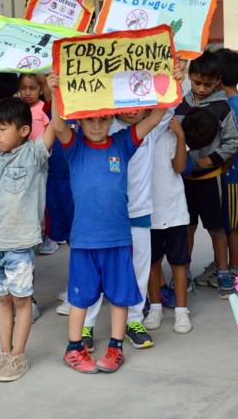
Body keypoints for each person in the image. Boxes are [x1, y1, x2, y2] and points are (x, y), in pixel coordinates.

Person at [49, 72, 168, 374]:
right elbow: (58, 124)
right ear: (81, 121)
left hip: (118, 239)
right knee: (80, 297)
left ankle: (115, 348)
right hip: (85, 240)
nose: (98, 125)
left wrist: (170, 82)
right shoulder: (74, 148)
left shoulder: (122, 143)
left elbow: (154, 118)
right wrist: (55, 89)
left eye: (103, 119)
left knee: (119, 296)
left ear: (111, 119)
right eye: (91, 120)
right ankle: (74, 348)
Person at [0, 71, 55, 380]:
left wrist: (53, 89)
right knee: (2, 299)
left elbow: (56, 123)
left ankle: (18, 355)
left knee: (21, 300)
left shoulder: (35, 154)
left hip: (18, 244)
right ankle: (4, 353)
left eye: (3, 128)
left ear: (24, 130)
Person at [83, 106, 173, 351]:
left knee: (138, 270)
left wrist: (177, 74)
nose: (134, 110)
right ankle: (86, 324)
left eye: (141, 105)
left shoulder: (150, 130)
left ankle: (134, 320)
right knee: (95, 273)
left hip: (139, 213)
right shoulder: (103, 127)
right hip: (106, 216)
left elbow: (168, 104)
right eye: (129, 104)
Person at [175, 53, 238, 296]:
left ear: (218, 81)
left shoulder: (223, 107)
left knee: (216, 228)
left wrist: (210, 160)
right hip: (184, 180)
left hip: (210, 180)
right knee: (187, 228)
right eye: (196, 83)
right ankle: (185, 271)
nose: (201, 89)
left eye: (208, 84)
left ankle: (223, 272)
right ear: (190, 78)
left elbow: (233, 142)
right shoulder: (181, 104)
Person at [144, 114, 193, 334]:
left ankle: (181, 310)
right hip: (147, 209)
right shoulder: (138, 131)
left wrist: (181, 136)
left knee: (179, 262)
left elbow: (180, 167)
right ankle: (155, 307)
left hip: (174, 209)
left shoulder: (170, 129)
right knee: (152, 261)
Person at [215, 48, 238, 277]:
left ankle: (235, 265)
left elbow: (233, 143)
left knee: (234, 224)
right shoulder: (232, 100)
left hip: (234, 176)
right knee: (229, 222)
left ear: (217, 77)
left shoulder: (233, 105)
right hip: (233, 174)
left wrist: (221, 167)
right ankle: (227, 263)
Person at [18, 73, 57, 255]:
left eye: (32, 88)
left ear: (41, 89)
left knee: (41, 198)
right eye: (23, 88)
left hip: (41, 160)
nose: (27, 92)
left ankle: (44, 235)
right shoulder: (17, 109)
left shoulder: (43, 108)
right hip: (22, 161)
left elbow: (52, 129)